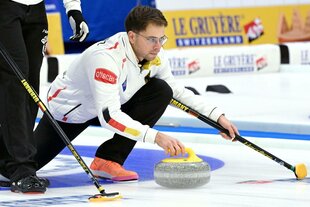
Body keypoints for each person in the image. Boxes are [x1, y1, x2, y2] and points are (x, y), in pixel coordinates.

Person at [33, 5, 239, 183]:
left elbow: (175, 92)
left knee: (162, 91)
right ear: (132, 36)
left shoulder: (154, 53)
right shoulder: (106, 58)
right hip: (70, 112)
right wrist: (156, 137)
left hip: (110, 103)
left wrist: (217, 117)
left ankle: (108, 160)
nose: (158, 46)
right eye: (152, 39)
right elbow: (109, 117)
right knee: (12, 169)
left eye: (162, 39)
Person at [0, 0, 89, 193]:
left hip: (37, 10)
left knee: (31, 86)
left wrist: (73, 9)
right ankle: (20, 169)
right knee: (15, 85)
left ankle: (6, 162)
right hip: (5, 8)